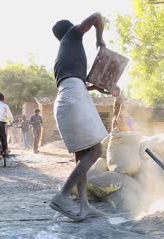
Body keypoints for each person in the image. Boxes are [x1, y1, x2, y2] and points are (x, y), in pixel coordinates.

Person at [50, 13, 111, 221]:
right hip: (74, 97)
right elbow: (96, 17)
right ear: (70, 29)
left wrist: (102, 85)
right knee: (95, 150)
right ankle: (62, 195)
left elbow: (83, 83)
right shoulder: (72, 36)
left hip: (69, 98)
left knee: (82, 155)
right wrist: (99, 39)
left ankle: (84, 206)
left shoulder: (65, 55)